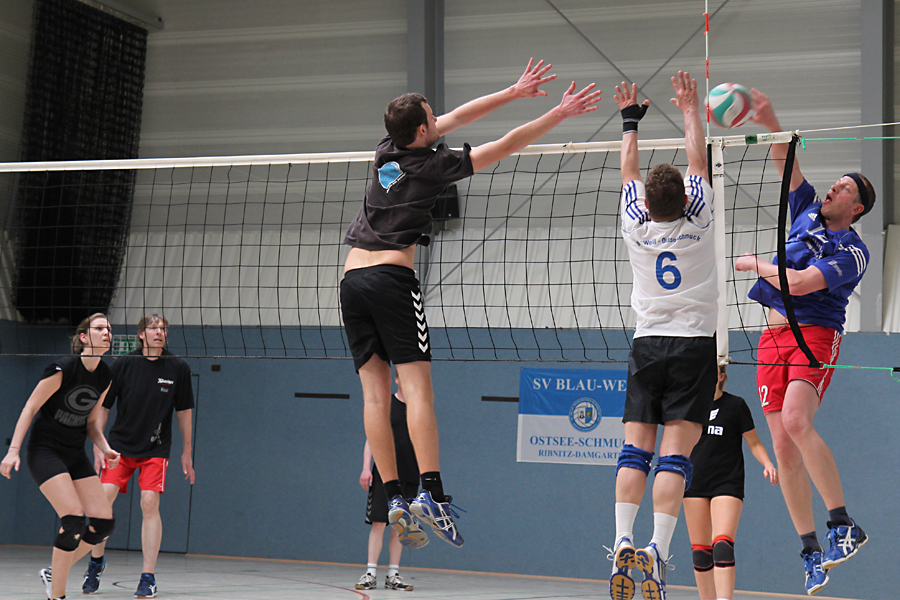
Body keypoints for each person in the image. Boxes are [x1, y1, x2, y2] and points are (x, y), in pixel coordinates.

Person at [340, 58, 600, 548]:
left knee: (375, 397)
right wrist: (558, 114)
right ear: (422, 131)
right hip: (392, 279)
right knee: (417, 392)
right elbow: (507, 144)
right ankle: (431, 493)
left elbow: (457, 117)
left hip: (351, 280)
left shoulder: (386, 149)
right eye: (431, 117)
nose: (439, 119)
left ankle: (393, 498)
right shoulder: (434, 166)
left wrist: (514, 91)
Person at [733, 89, 874, 595]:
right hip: (771, 338)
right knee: (782, 447)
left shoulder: (851, 251)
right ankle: (812, 552)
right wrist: (766, 113)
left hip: (813, 334)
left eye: (844, 188)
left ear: (856, 207)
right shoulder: (806, 211)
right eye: (834, 183)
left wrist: (756, 265)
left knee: (796, 421)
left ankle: (843, 523)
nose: (833, 188)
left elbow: (798, 285)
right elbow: (785, 159)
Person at [608, 71, 718, 600]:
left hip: (648, 342)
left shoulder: (635, 221)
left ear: (648, 204)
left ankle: (621, 541)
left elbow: (629, 169)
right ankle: (656, 549)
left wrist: (630, 121)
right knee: (676, 455)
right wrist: (690, 108)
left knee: (635, 451)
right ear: (683, 199)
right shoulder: (700, 215)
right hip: (693, 344)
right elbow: (698, 162)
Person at [69, 313, 195, 599]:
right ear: (141, 334)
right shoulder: (123, 365)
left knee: (149, 502)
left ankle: (148, 577)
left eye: (163, 328)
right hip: (119, 447)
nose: (159, 332)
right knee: (102, 503)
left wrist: (187, 451)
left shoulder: (178, 368)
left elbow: (184, 411)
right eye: (153, 328)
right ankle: (96, 562)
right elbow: (103, 407)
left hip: (155, 447)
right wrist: (99, 444)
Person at [0, 313, 120, 600]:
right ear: (84, 337)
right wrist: (13, 450)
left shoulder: (105, 375)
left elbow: (92, 423)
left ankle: (54, 571)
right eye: (100, 328)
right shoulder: (62, 368)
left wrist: (104, 448)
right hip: (45, 451)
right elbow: (30, 408)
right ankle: (58, 596)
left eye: (109, 329)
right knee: (74, 520)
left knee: (103, 523)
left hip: (74, 453)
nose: (107, 333)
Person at [683, 365, 778, 600]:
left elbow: (754, 442)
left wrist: (768, 463)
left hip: (727, 481)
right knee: (700, 553)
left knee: (723, 546)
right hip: (695, 482)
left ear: (721, 376)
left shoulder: (735, 405)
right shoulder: (690, 404)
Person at [356, 373, 418, 592]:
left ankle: (393, 574)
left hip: (410, 474)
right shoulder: (386, 404)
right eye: (403, 378)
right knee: (379, 523)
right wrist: (366, 467)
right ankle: (370, 573)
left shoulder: (418, 407)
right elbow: (372, 437)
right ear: (397, 380)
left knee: (400, 526)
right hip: (384, 473)